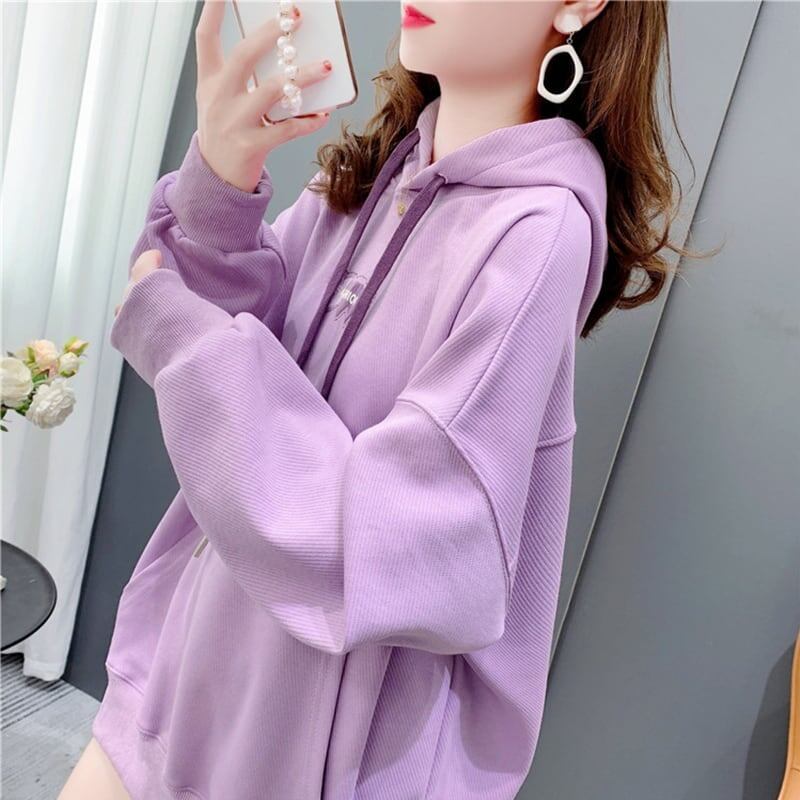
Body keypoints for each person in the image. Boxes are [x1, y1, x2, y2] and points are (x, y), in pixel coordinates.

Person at [60, 0, 698, 797]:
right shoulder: (377, 171)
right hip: (188, 659)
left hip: (309, 744)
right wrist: (222, 181)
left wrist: (181, 339)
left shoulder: (539, 233)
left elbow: (387, 540)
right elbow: (242, 346)